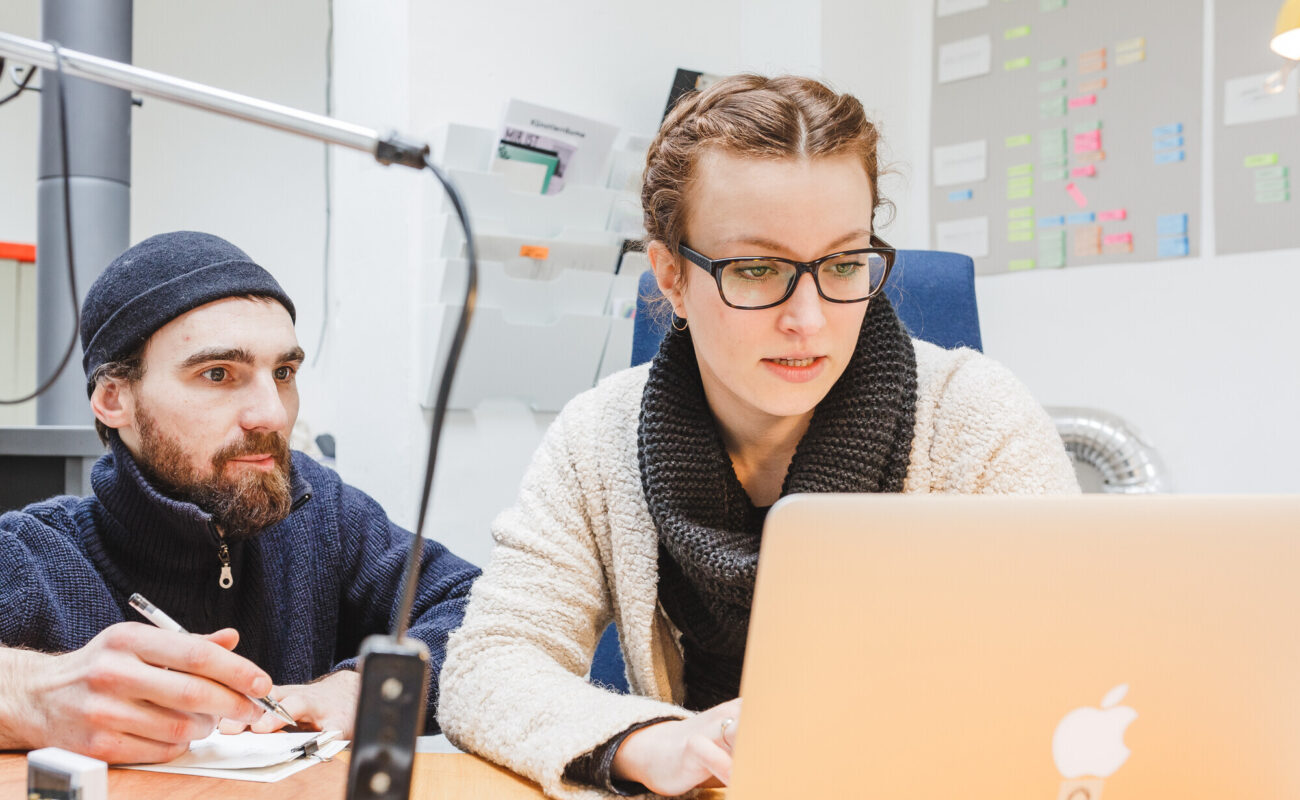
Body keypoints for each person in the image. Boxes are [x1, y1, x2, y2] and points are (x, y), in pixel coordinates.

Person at [437, 74, 1079, 798]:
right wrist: (653, 740)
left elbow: (1068, 668)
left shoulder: (976, 418)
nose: (808, 319)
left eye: (841, 264)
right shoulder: (596, 436)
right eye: (757, 269)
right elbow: (488, 664)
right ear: (672, 276)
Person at [0, 231, 480, 764]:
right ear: (115, 398)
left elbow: (486, 613)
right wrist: (29, 695)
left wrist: (358, 689)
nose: (273, 415)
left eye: (283, 373)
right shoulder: (32, 556)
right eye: (218, 373)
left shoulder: (322, 513)